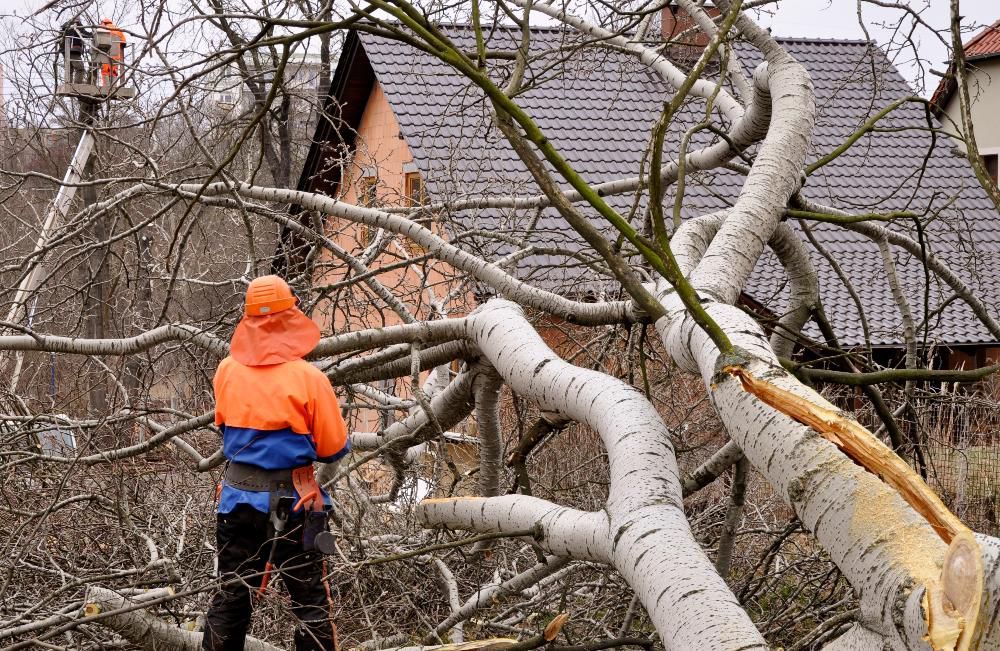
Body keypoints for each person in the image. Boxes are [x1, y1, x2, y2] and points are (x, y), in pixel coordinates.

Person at [204, 275, 349, 651]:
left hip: (237, 501)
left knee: (232, 595)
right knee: (311, 602)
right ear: (290, 319)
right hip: (295, 502)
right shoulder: (309, 379)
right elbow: (333, 447)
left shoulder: (226, 371)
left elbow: (223, 427)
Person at [56, 18, 90, 84]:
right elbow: (85, 34)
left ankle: (69, 84)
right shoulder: (77, 25)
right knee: (80, 68)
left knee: (69, 69)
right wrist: (94, 34)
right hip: (73, 50)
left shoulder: (65, 26)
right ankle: (77, 85)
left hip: (64, 50)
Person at [97, 18, 125, 86]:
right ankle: (114, 88)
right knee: (114, 72)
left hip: (105, 54)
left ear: (104, 23)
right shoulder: (118, 29)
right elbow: (124, 42)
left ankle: (106, 88)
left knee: (105, 71)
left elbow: (97, 42)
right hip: (116, 56)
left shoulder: (102, 29)